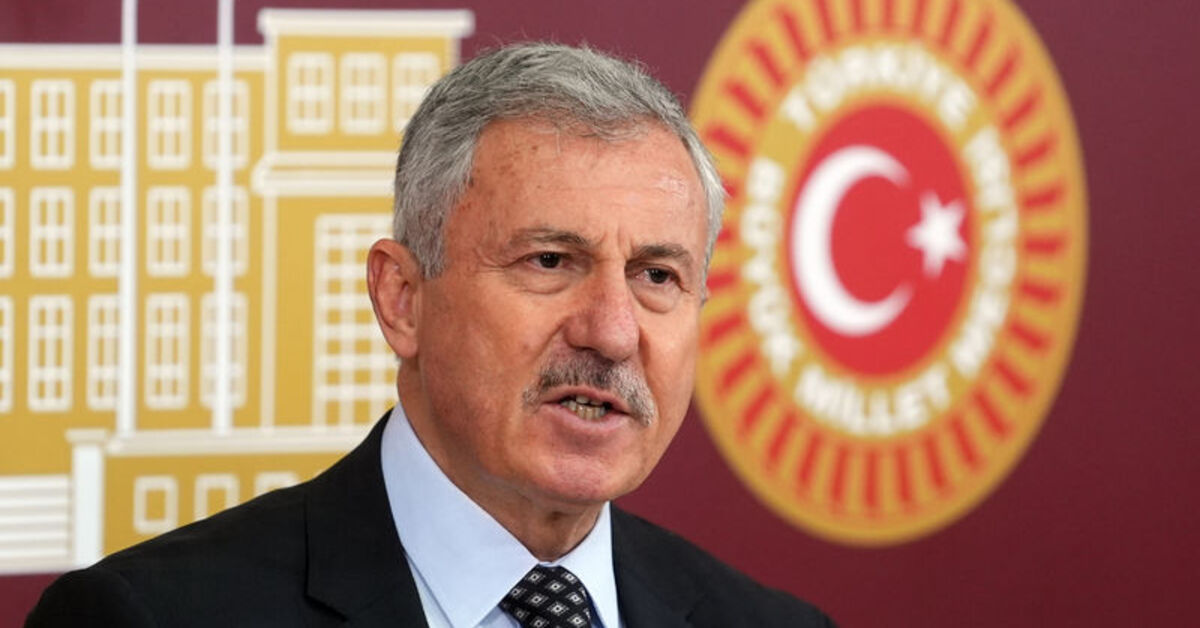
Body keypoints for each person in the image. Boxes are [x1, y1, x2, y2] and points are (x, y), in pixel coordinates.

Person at [27, 43, 834, 627]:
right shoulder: (148, 616)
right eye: (550, 261)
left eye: (656, 275)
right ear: (402, 299)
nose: (614, 332)